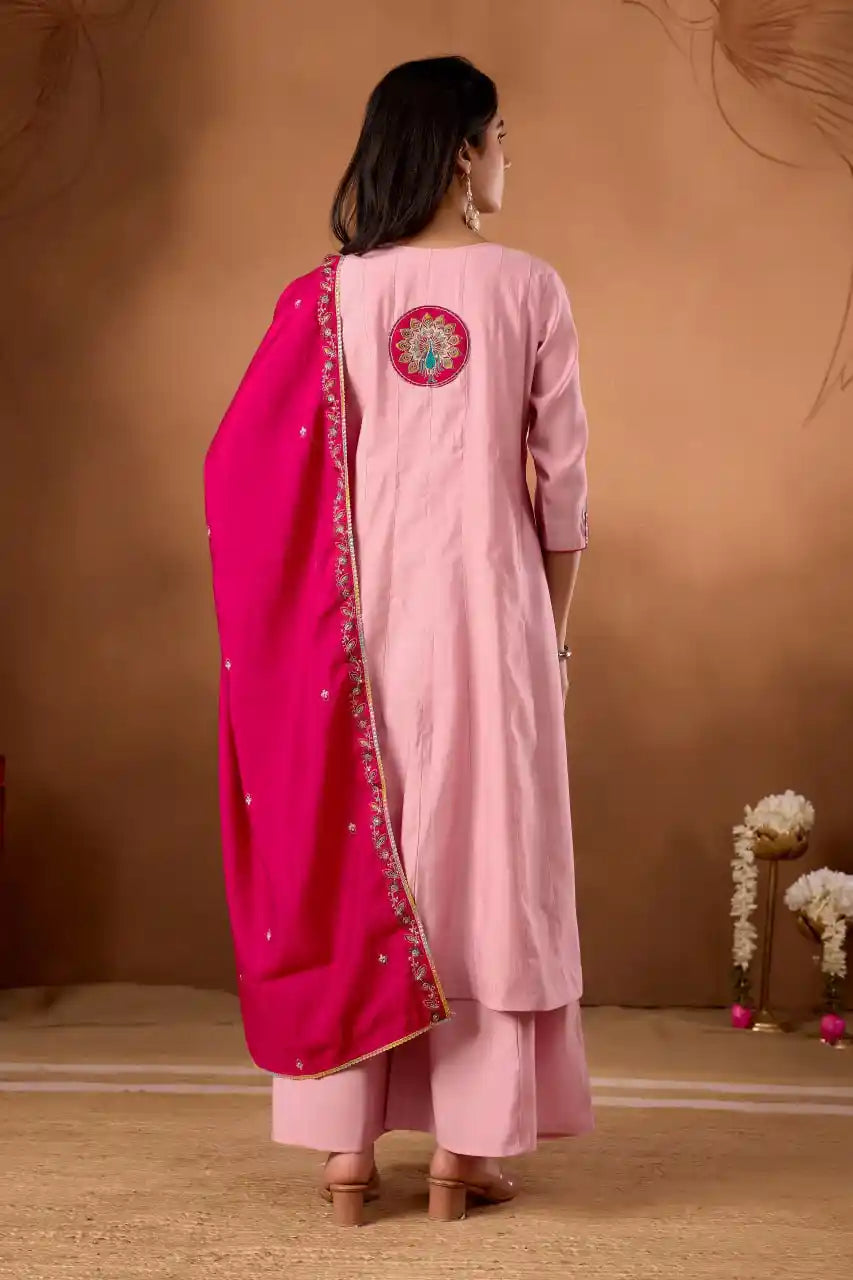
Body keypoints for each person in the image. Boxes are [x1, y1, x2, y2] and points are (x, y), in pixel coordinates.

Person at [204, 55, 592, 1227]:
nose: (508, 158)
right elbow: (564, 491)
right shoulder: (528, 286)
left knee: (361, 852)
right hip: (491, 615)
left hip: (353, 626)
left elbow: (241, 466)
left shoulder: (330, 295)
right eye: (501, 137)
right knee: (485, 864)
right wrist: (551, 640)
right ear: (465, 150)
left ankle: (345, 1149)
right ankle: (463, 1150)